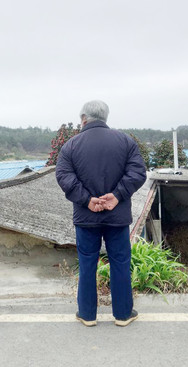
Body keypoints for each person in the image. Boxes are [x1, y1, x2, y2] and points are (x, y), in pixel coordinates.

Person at [56, 100, 147, 327]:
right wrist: (116, 195)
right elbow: (138, 172)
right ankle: (123, 314)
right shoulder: (125, 141)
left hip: (87, 218)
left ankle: (87, 315)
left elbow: (64, 176)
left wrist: (87, 200)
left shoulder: (71, 146)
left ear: (84, 118)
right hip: (117, 216)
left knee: (87, 264)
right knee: (120, 262)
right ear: (105, 117)